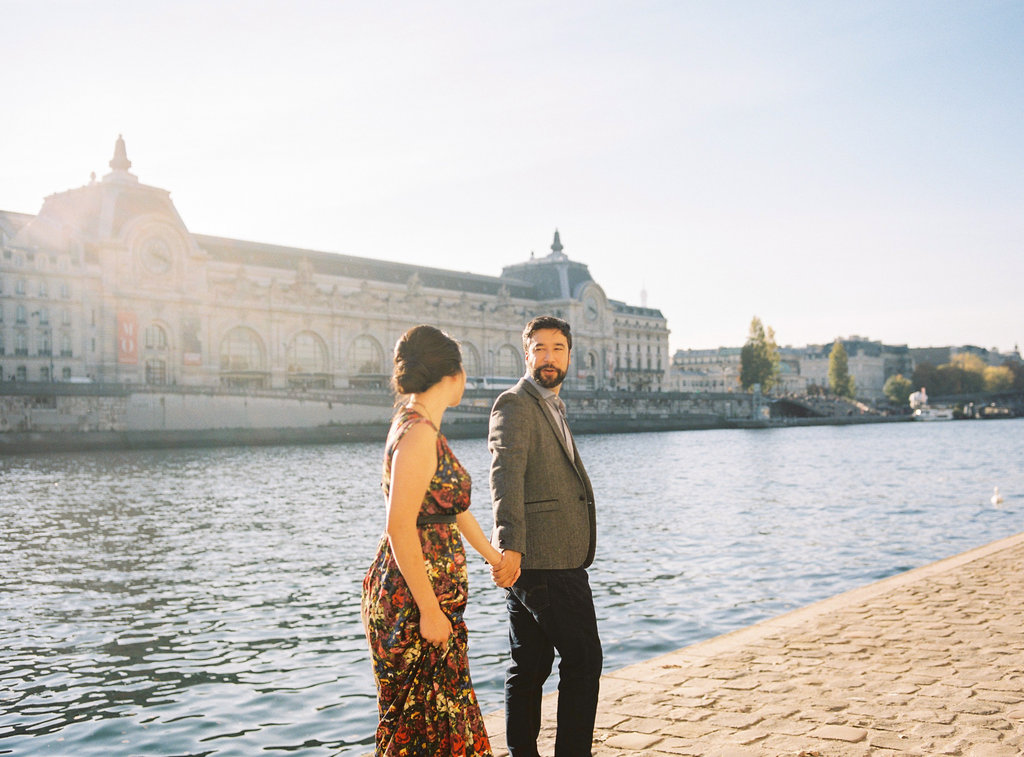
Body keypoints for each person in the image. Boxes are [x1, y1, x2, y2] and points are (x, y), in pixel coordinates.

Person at [362, 324, 509, 756]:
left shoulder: (417, 425)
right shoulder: (419, 434)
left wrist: (494, 557)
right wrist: (429, 610)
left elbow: (452, 508)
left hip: (424, 594)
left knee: (436, 720)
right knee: (424, 724)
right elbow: (400, 526)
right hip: (414, 600)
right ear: (455, 375)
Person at [489, 315, 601, 757]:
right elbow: (505, 477)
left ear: (570, 355)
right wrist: (509, 545)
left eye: (557, 348)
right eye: (539, 348)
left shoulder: (550, 403)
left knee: (530, 664)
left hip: (543, 558)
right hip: (544, 559)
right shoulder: (514, 403)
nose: (548, 357)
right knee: (583, 661)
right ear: (526, 354)